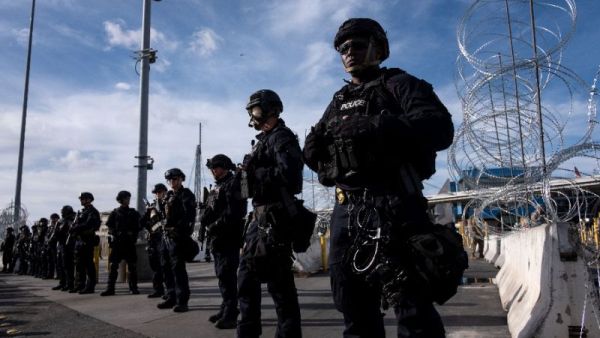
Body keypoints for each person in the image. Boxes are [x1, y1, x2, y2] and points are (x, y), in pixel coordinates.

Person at [303, 18, 454, 337]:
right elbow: (323, 157)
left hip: (395, 206)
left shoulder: (400, 84)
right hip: (346, 213)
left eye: (357, 44)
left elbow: (440, 128)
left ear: (379, 49)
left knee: (413, 310)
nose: (349, 53)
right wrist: (313, 152)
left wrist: (380, 125)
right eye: (343, 48)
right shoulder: (339, 101)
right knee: (354, 310)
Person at [237, 89, 304, 338]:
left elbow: (291, 176)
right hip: (259, 217)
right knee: (246, 279)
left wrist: (257, 174)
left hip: (275, 219)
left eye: (255, 110)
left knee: (280, 285)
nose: (252, 116)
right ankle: (247, 331)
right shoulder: (264, 141)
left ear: (269, 109)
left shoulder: (282, 137)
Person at [200, 154, 247, 329]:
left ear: (225, 167)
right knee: (222, 275)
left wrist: (215, 225)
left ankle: (231, 314)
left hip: (229, 237)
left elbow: (235, 212)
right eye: (212, 167)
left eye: (216, 167)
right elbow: (210, 209)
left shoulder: (233, 183)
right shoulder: (218, 186)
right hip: (218, 238)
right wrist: (206, 221)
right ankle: (225, 307)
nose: (213, 170)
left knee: (227, 275)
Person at [157, 168, 196, 313]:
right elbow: (163, 215)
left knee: (178, 270)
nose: (172, 182)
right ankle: (171, 296)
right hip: (165, 237)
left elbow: (189, 217)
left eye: (175, 179)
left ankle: (182, 301)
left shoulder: (186, 195)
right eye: (170, 180)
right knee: (166, 267)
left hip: (178, 237)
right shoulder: (168, 195)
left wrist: (177, 228)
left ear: (181, 179)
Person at [101, 191, 141, 296]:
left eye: (128, 198)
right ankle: (110, 289)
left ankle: (133, 288)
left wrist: (132, 234)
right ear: (120, 199)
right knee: (113, 266)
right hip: (118, 243)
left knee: (132, 266)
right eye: (125, 198)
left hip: (129, 243)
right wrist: (115, 232)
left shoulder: (133, 213)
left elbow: (138, 226)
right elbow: (109, 226)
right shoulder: (115, 212)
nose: (128, 200)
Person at [70, 192, 101, 294]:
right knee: (79, 264)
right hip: (80, 240)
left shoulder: (92, 211)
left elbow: (89, 224)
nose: (81, 200)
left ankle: (90, 286)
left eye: (83, 199)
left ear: (89, 199)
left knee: (88, 264)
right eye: (81, 199)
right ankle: (80, 284)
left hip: (87, 240)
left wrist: (76, 227)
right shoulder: (83, 212)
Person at [141, 183, 168, 298]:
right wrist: (149, 212)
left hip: (165, 239)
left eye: (160, 192)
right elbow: (142, 223)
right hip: (154, 239)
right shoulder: (152, 207)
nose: (158, 195)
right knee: (156, 267)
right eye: (156, 193)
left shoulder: (167, 204)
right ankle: (158, 290)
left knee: (166, 267)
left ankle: (171, 291)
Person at [53, 205, 76, 291]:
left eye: (63, 211)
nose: (62, 213)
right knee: (60, 265)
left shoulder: (71, 220)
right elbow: (57, 232)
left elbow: (70, 231)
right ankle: (62, 283)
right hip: (61, 244)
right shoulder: (62, 220)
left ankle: (69, 284)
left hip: (69, 245)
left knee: (68, 265)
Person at [44, 213, 60, 279]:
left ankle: (57, 274)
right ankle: (50, 274)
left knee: (56, 261)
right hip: (49, 245)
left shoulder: (58, 226)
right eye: (52, 219)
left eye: (54, 218)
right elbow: (47, 235)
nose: (53, 220)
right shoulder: (50, 227)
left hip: (55, 245)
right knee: (49, 260)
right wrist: (47, 240)